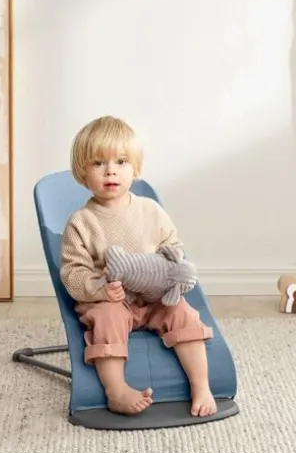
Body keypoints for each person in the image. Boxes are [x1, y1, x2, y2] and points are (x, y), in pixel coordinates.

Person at [60, 116, 216, 417]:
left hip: (154, 299)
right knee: (107, 318)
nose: (110, 171)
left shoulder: (151, 210)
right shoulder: (81, 222)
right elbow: (72, 272)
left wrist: (173, 275)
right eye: (98, 163)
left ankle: (201, 385)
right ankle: (116, 390)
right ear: (82, 172)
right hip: (111, 300)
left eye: (121, 162)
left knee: (183, 313)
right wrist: (100, 290)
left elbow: (172, 248)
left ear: (135, 168)